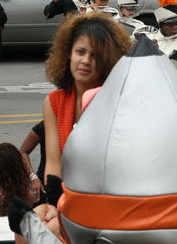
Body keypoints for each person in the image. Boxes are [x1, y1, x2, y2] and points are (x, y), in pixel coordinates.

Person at [42, 13, 132, 219]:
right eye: (80, 52)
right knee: (29, 225)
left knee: (49, 232)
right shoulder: (53, 102)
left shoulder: (115, 100)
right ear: (68, 53)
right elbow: (54, 162)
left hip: (106, 201)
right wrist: (53, 205)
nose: (86, 61)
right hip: (64, 196)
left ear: (108, 61)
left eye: (95, 56)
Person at [19, 121, 46, 203]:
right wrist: (33, 177)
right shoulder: (45, 126)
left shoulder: (83, 126)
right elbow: (22, 152)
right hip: (45, 187)